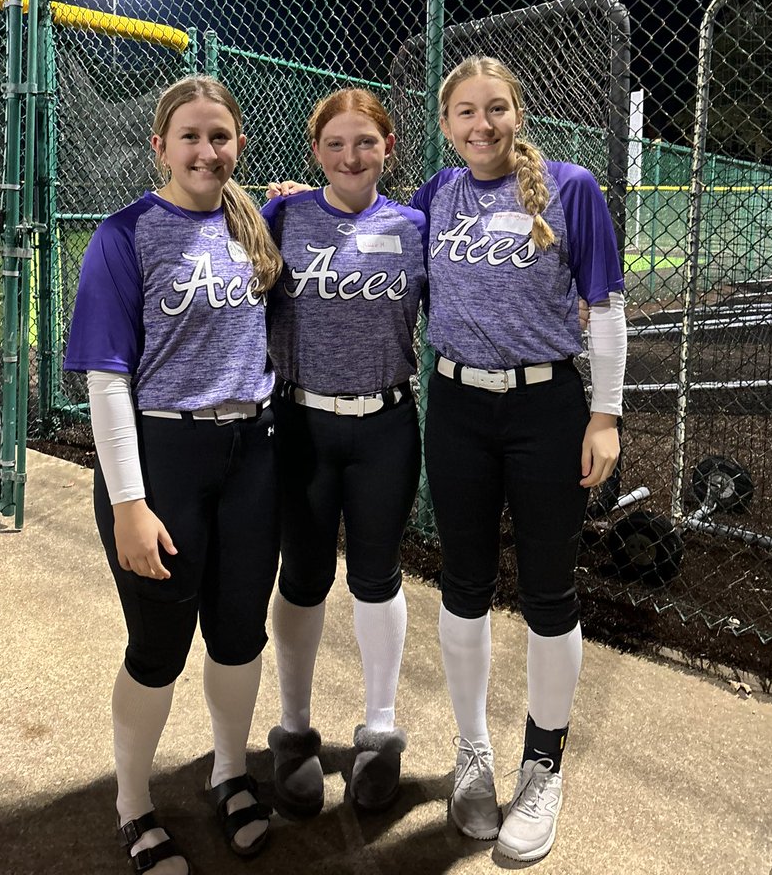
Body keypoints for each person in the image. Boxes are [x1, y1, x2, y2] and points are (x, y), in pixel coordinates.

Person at [64, 76, 284, 874]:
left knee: (237, 634)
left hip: (251, 456)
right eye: (189, 136)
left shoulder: (252, 223)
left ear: (239, 147)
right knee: (158, 645)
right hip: (162, 461)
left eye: (219, 136)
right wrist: (128, 501)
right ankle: (134, 804)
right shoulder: (123, 234)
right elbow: (107, 379)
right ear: (159, 146)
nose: (205, 150)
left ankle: (230, 773)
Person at [410, 55, 626, 862]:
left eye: (495, 108)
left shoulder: (571, 188)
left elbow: (605, 309)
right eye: (464, 112)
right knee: (462, 581)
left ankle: (544, 763)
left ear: (518, 112)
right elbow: (365, 231)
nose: (481, 125)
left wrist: (603, 414)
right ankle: (473, 752)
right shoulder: (436, 195)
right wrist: (297, 202)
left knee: (547, 587)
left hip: (547, 409)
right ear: (445, 124)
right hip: (458, 405)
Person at [262, 88, 428, 814]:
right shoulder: (284, 215)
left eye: (365, 142)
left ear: (387, 147)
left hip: (386, 424)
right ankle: (293, 731)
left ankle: (381, 729)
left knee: (377, 577)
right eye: (335, 144)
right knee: (302, 576)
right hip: (302, 423)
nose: (350, 156)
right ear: (315, 152)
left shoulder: (417, 226)